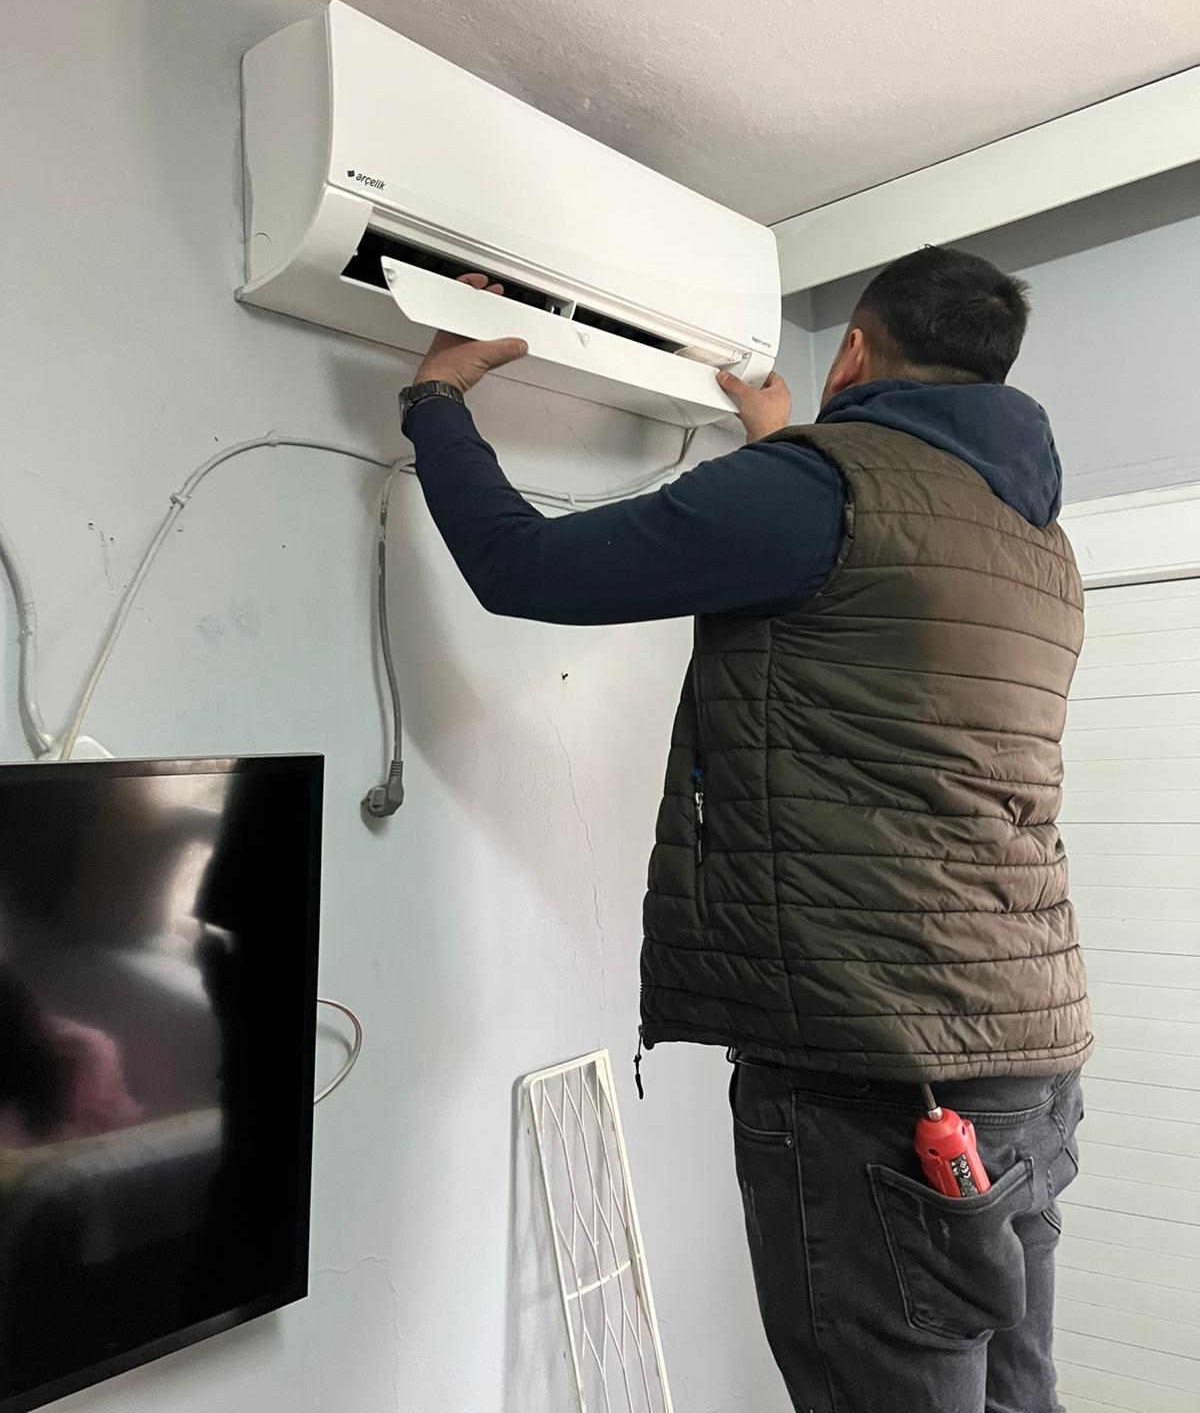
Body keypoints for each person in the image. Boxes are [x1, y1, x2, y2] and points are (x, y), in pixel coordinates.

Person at [400, 245, 1090, 1413]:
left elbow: (523, 567)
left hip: (879, 1071)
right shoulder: (1036, 541)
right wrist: (782, 440)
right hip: (1029, 1058)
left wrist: (435, 401)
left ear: (853, 352)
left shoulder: (813, 492)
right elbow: (866, 598)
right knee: (1016, 1394)